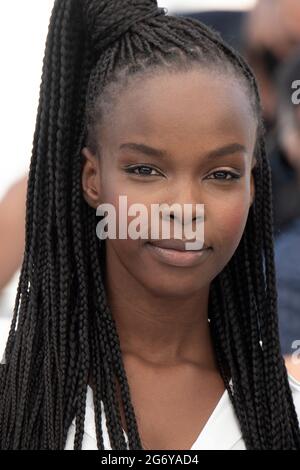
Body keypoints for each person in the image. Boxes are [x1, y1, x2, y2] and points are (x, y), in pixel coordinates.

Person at [0, 0, 299, 451]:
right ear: (93, 179)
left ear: (253, 188)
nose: (184, 207)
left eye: (221, 175)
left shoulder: (283, 414)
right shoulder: (19, 395)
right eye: (145, 170)